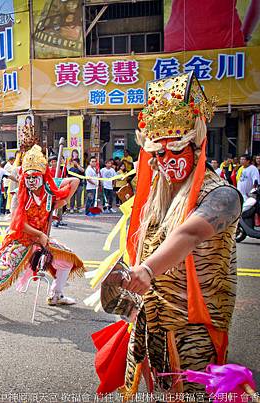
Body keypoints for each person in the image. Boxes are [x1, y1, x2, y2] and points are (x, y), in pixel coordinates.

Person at [100, 73, 242, 396]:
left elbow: (189, 234)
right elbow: (142, 243)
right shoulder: (157, 196)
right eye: (157, 154)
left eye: (173, 151)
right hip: (155, 329)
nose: (163, 162)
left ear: (195, 144)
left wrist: (148, 269)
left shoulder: (222, 196)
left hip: (195, 336)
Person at [0, 145, 84, 330]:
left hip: (41, 240)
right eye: (27, 177)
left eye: (34, 177)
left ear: (43, 177)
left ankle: (56, 295)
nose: (30, 181)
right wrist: (40, 235)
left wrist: (52, 182)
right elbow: (19, 224)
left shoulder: (49, 195)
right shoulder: (20, 197)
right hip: (20, 240)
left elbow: (74, 182)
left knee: (67, 260)